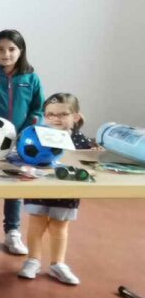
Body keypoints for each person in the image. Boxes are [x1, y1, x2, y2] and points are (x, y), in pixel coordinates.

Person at [0, 29, 43, 256]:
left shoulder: (31, 78)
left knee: (14, 184)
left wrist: (25, 132)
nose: (6, 54)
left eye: (12, 49)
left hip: (19, 141)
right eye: (0, 49)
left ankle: (12, 231)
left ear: (21, 51)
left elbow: (38, 108)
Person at [19, 93, 91, 286]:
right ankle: (33, 260)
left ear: (75, 117)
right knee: (36, 224)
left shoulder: (80, 140)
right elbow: (24, 156)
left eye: (62, 114)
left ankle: (57, 264)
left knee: (59, 226)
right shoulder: (37, 134)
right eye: (50, 114)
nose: (55, 119)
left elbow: (87, 164)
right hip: (40, 188)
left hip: (67, 191)